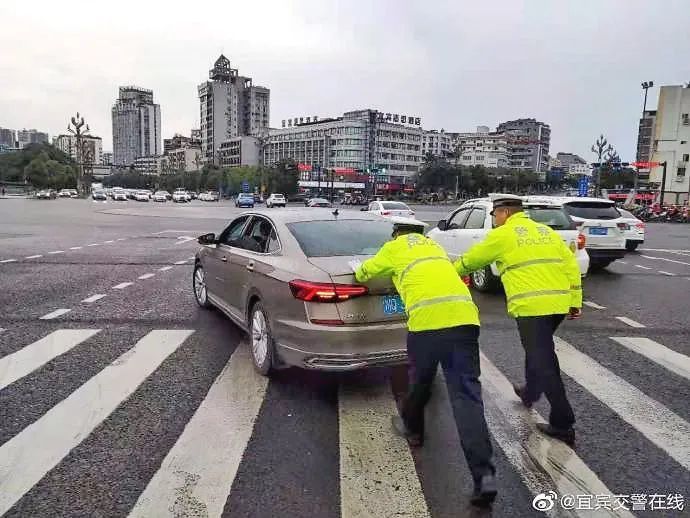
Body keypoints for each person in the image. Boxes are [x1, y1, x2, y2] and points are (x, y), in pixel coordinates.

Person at [351, 216, 497, 507]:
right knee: (467, 396)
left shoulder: (394, 248)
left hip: (428, 325)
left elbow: (364, 274)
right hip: (465, 320)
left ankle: (412, 428)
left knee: (420, 381)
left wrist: (362, 268)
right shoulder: (436, 248)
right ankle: (485, 476)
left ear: (396, 233)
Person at [454, 194, 582, 446]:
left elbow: (471, 261)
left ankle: (563, 422)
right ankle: (530, 392)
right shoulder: (545, 232)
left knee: (544, 360)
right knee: (539, 352)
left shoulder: (503, 235)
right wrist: (575, 299)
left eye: (494, 215)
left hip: (532, 306)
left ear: (505, 213)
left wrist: (446, 274)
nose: (493, 219)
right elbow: (570, 264)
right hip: (557, 304)